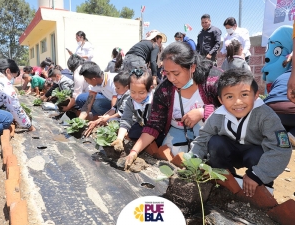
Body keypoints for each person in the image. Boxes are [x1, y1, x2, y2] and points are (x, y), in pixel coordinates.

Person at [189, 69, 292, 197]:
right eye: (230, 97)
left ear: (255, 95)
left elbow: (281, 148)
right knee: (215, 142)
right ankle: (225, 179)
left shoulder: (266, 115)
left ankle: (261, 188)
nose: (238, 102)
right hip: (230, 152)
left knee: (258, 155)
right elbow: (203, 138)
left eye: (244, 95)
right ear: (221, 100)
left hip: (254, 155)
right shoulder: (218, 115)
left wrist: (258, 175)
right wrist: (193, 160)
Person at [124, 42, 222, 169]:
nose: (171, 79)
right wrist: (134, 151)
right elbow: (154, 124)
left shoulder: (212, 81)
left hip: (209, 132)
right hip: (179, 130)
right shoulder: (164, 90)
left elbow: (235, 109)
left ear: (192, 67)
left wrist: (204, 112)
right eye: (167, 73)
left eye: (176, 73)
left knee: (210, 155)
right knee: (171, 155)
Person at [110, 69, 155, 151]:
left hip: (156, 128)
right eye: (133, 92)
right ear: (128, 88)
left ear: (150, 88)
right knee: (133, 133)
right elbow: (126, 119)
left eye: (141, 93)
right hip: (143, 124)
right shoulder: (130, 100)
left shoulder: (156, 99)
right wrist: (119, 138)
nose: (136, 96)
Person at [84, 71, 130, 137]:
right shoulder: (120, 95)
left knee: (111, 121)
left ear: (127, 87)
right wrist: (101, 119)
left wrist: (108, 118)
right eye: (115, 87)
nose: (115, 89)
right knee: (108, 120)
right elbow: (114, 108)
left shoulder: (128, 96)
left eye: (118, 87)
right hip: (121, 118)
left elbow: (121, 113)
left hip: (128, 120)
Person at [0, 59, 35, 132]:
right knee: (7, 117)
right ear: (7, 71)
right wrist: (29, 125)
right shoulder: (2, 81)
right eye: (14, 77)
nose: (13, 80)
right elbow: (15, 107)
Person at [264, 70, 295, 146]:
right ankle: (293, 135)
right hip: (291, 109)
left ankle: (282, 137)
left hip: (270, 110)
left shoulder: (280, 77)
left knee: (282, 124)